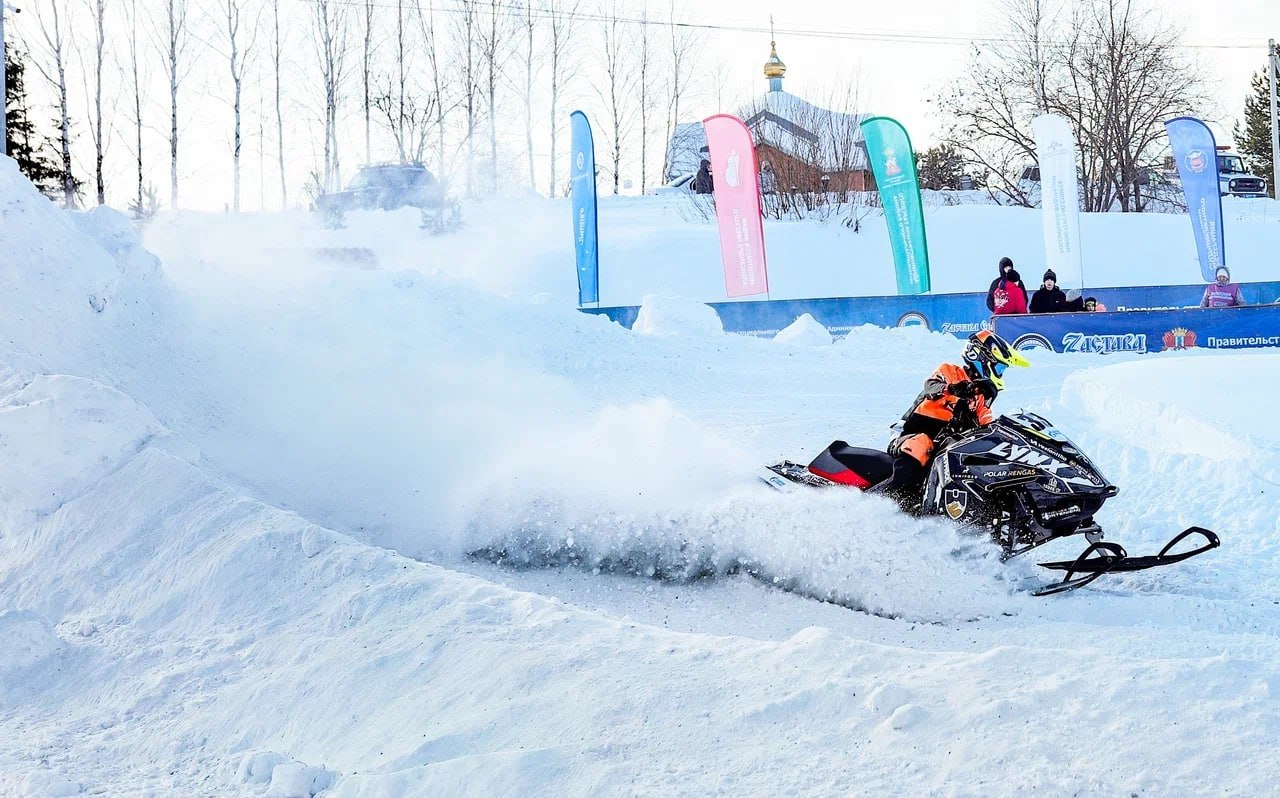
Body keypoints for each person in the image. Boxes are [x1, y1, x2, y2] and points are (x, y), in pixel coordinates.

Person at [883, 330, 1030, 502]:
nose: (1000, 374)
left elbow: (988, 426)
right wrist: (952, 389)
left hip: (941, 446)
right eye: (999, 368)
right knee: (921, 443)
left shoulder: (980, 398)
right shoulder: (950, 371)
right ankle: (892, 502)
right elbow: (930, 386)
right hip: (907, 435)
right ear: (983, 358)